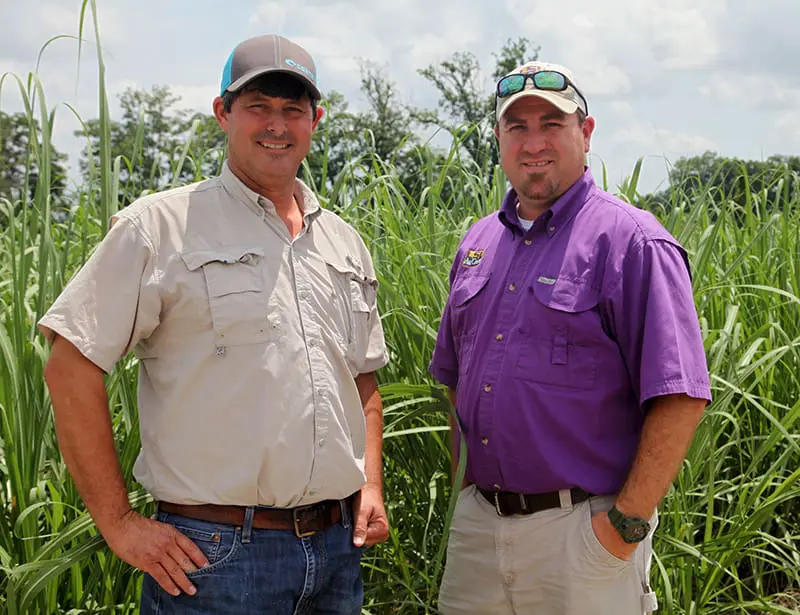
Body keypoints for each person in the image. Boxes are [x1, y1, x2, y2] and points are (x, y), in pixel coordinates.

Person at [39, 34, 390, 614]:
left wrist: (370, 485)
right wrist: (120, 523)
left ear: (316, 120)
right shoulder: (160, 228)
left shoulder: (343, 243)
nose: (276, 125)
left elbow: (362, 380)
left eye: (293, 108)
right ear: (222, 113)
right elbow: (69, 365)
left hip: (336, 551)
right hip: (215, 559)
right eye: (258, 106)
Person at [428, 60, 712, 615]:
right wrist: (466, 500)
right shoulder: (478, 244)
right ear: (499, 138)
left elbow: (680, 395)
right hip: (478, 535)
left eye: (552, 124)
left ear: (586, 132)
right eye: (517, 127)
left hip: (583, 538)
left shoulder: (632, 243)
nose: (534, 143)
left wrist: (624, 528)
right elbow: (454, 379)